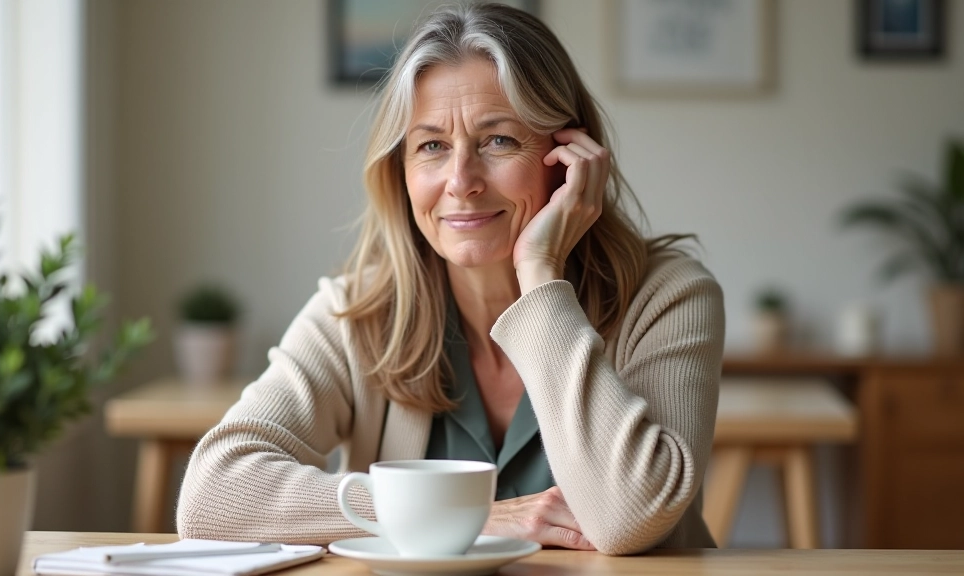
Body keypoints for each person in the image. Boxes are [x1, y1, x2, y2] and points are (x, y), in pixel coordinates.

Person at [177, 3, 723, 555]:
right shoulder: (361, 311)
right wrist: (471, 514)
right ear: (403, 171)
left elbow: (629, 518)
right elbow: (211, 496)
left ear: (567, 159)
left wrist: (540, 275)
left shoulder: (668, 296)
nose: (461, 181)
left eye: (499, 140)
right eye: (432, 146)